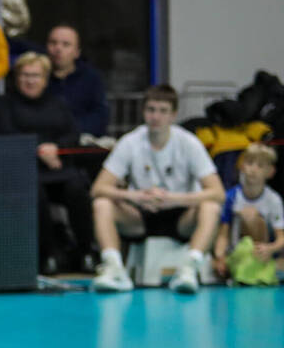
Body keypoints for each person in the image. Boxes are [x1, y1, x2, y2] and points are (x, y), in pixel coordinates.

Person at [90, 85, 223, 295]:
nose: (156, 117)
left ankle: (189, 268)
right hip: (141, 216)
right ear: (144, 112)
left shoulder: (189, 143)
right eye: (151, 110)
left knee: (211, 207)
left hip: (181, 217)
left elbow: (217, 192)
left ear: (173, 115)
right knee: (102, 204)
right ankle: (114, 268)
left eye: (163, 111)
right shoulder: (130, 142)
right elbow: (98, 188)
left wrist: (175, 199)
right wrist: (134, 196)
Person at [6, 51, 92, 273]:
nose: (30, 80)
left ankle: (86, 252)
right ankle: (48, 254)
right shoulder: (5, 105)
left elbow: (73, 133)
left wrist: (56, 148)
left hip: (58, 168)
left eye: (35, 76)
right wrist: (38, 149)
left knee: (77, 188)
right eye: (25, 75)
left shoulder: (58, 104)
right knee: (36, 193)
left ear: (45, 80)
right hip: (24, 170)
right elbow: (6, 134)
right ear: (17, 78)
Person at [213, 144, 284, 284]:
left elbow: (281, 238)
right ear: (242, 166)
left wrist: (270, 249)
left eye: (260, 166)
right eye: (250, 163)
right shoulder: (231, 197)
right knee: (214, 266)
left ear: (270, 172)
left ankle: (260, 268)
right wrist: (220, 257)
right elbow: (223, 234)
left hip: (263, 253)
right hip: (237, 252)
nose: (253, 169)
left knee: (251, 216)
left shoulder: (274, 200)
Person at [43, 24, 109, 140]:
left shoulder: (91, 78)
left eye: (66, 44)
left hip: (81, 143)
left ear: (77, 52)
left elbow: (100, 117)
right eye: (53, 43)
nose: (58, 48)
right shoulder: (37, 76)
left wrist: (70, 132)